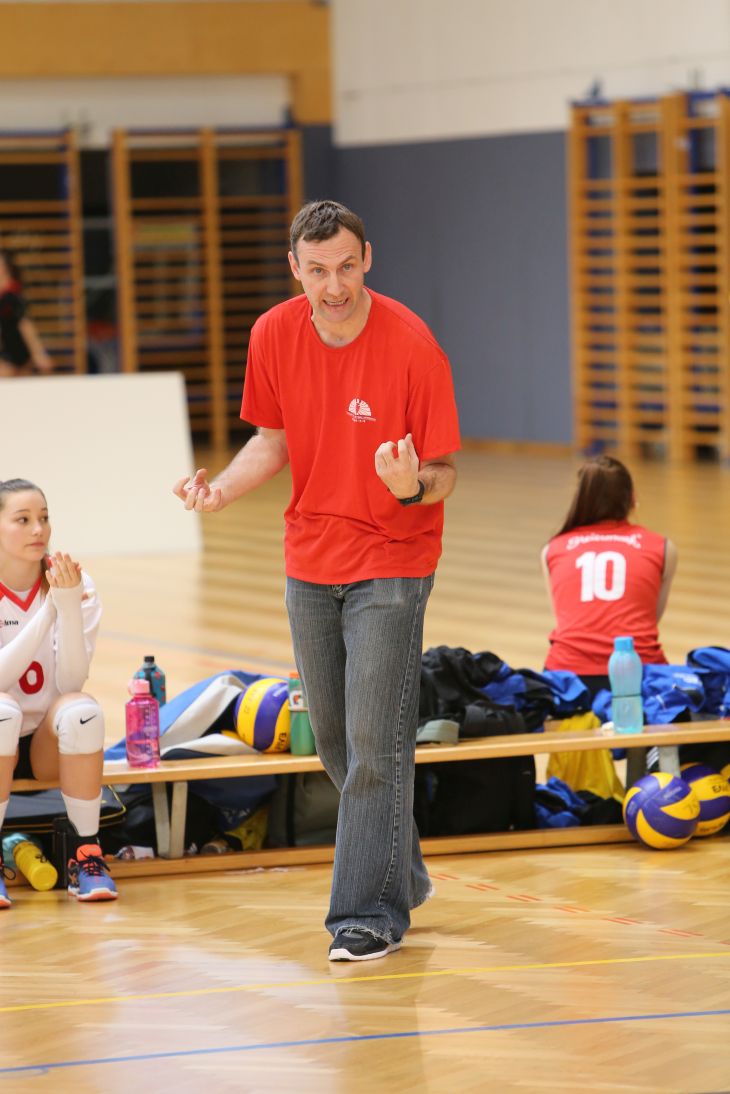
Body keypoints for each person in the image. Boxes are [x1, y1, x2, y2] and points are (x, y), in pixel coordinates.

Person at [174, 199, 460, 961]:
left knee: (374, 743)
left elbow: (442, 472)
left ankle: (367, 916)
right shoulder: (272, 333)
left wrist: (410, 486)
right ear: (295, 269)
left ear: (367, 261)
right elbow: (272, 440)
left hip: (393, 559)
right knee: (335, 739)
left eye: (347, 267)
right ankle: (400, 871)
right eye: (318, 270)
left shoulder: (413, 345)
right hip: (310, 559)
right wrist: (220, 490)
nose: (334, 286)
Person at [0, 479, 117, 906]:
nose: (39, 529)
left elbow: (70, 682)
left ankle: (85, 853)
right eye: (23, 519)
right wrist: (49, 610)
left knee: (83, 711)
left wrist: (66, 606)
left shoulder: (75, 584)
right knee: (2, 709)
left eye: (44, 518)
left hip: (47, 743)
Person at [542, 455, 678, 697]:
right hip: (639, 676)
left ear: (580, 499)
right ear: (632, 498)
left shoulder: (552, 549)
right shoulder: (663, 548)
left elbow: (566, 623)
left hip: (568, 680)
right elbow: (649, 619)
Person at [0, 250, 52, 377]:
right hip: (8, 351)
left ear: (5, 268)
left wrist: (38, 353)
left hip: (19, 352)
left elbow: (25, 323)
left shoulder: (12, 295)